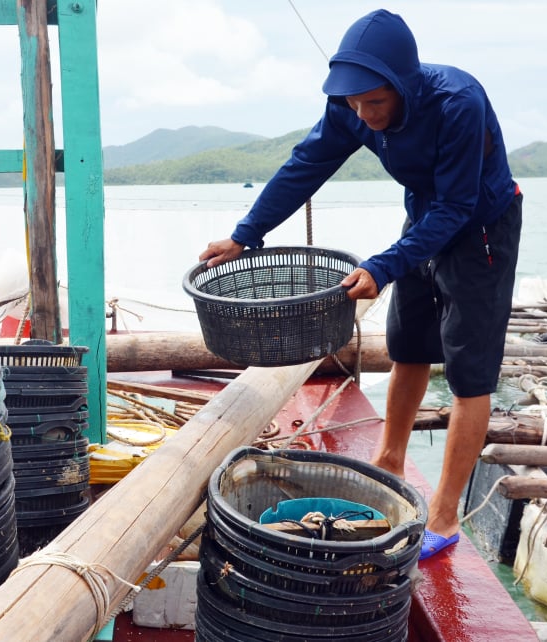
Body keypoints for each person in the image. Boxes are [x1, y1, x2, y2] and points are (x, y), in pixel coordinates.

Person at [199, 9, 522, 561]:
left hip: (481, 230)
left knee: (470, 372)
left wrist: (383, 266)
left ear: (402, 85)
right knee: (408, 347)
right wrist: (244, 235)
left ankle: (445, 514)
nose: (363, 113)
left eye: (375, 102)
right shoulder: (349, 104)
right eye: (353, 102)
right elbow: (306, 165)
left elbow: (457, 205)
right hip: (423, 221)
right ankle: (390, 460)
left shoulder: (457, 103)